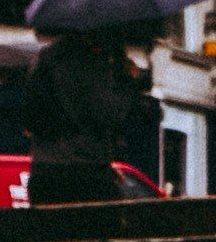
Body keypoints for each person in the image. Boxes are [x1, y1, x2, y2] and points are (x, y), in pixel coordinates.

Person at [18, 13, 165, 204]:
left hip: (44, 171)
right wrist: (129, 80)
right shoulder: (87, 64)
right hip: (83, 175)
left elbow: (32, 117)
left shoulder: (45, 59)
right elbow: (108, 113)